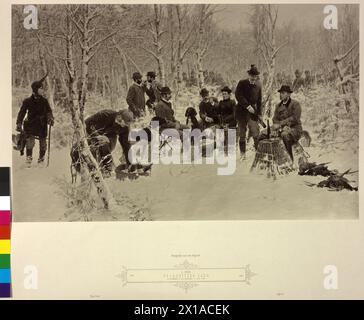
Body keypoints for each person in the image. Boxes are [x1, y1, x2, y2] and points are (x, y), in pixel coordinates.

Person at [16, 74, 54, 167]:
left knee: (43, 144)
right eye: (40, 88)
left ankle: (41, 160)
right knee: (30, 142)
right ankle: (29, 158)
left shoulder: (44, 101)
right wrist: (19, 123)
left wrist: (50, 118)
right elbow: (22, 112)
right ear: (35, 89)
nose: (42, 90)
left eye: (42, 88)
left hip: (42, 125)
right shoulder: (27, 101)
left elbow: (49, 111)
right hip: (31, 124)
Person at [84, 109, 134, 177]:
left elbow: (126, 145)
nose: (124, 126)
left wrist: (129, 163)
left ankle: (109, 168)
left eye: (126, 125)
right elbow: (88, 122)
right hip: (94, 133)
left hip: (110, 138)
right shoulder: (105, 114)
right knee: (90, 151)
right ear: (119, 117)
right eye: (124, 123)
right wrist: (97, 136)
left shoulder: (125, 128)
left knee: (104, 144)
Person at [235, 64, 262, 160]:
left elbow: (259, 101)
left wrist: (259, 113)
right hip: (241, 112)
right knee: (242, 133)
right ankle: (243, 155)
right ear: (249, 75)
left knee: (255, 131)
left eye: (255, 76)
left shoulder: (258, 86)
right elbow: (238, 95)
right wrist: (247, 106)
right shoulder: (241, 83)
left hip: (252, 113)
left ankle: (258, 154)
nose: (253, 78)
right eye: (252, 76)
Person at [271, 85, 302, 161]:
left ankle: (290, 159)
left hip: (295, 129)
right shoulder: (278, 106)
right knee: (264, 133)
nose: (281, 95)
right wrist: (277, 127)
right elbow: (274, 119)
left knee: (285, 135)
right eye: (280, 93)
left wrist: (281, 124)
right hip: (282, 128)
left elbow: (295, 118)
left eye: (283, 93)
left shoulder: (295, 104)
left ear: (288, 94)